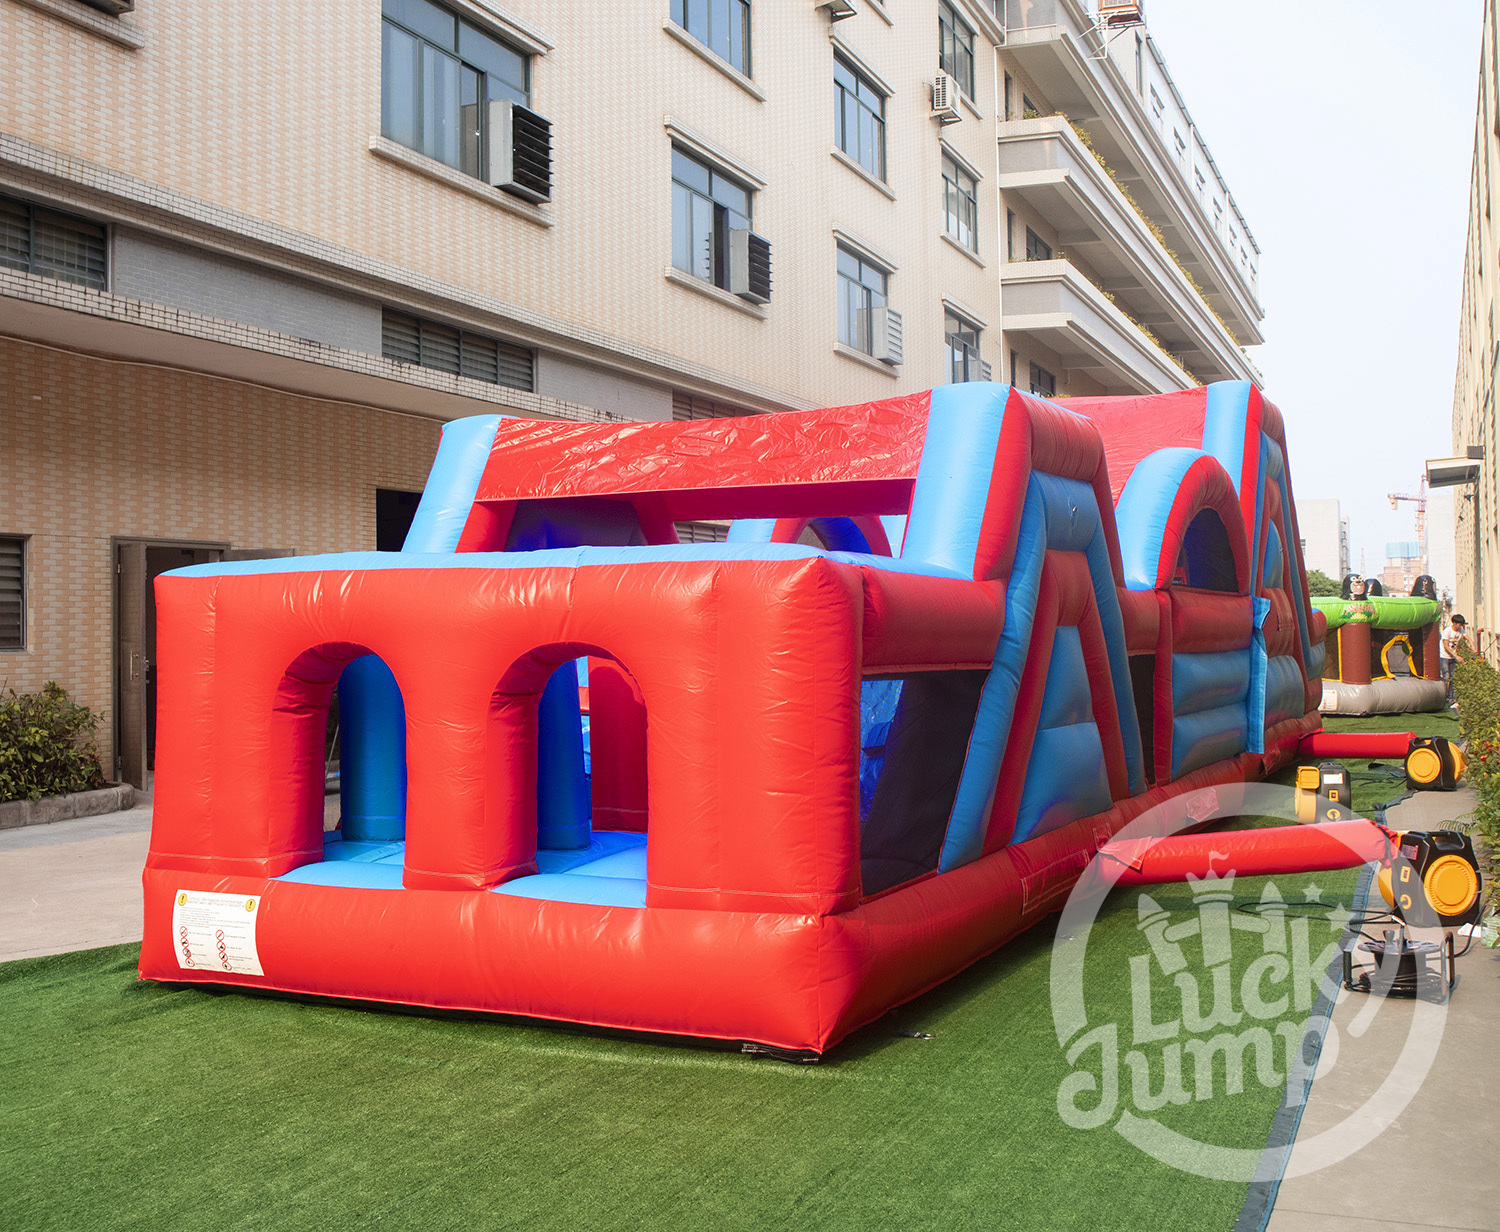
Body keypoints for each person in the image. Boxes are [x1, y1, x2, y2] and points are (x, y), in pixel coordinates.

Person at [1442, 614, 1471, 703]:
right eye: (1459, 624)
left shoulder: (1461, 630)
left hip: (1453, 657)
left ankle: (1451, 698)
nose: (1461, 627)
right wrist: (1456, 656)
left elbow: (1469, 639)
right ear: (1454, 623)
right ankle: (1443, 697)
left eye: (1462, 625)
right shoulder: (1447, 631)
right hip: (1444, 656)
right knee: (1446, 677)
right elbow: (1446, 646)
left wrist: (1473, 647)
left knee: (1453, 677)